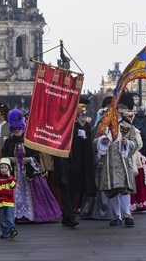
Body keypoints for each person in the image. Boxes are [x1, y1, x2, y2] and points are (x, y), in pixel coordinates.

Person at [1, 109, 61, 223]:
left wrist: (29, 159)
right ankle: (17, 215)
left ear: (22, 127)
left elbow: (36, 156)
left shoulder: (29, 140)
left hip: (29, 172)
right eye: (14, 128)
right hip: (14, 173)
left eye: (18, 127)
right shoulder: (8, 141)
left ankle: (32, 215)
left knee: (35, 193)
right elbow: (3, 156)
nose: (17, 130)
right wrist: (10, 159)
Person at [95, 93, 138, 227]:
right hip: (108, 162)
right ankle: (116, 215)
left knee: (124, 188)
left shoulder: (127, 126)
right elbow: (94, 141)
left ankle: (127, 213)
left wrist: (127, 143)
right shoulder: (102, 126)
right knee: (112, 189)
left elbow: (135, 143)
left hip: (123, 162)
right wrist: (102, 141)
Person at [54, 96, 96, 227]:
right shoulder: (66, 124)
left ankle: (68, 215)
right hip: (66, 162)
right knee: (66, 189)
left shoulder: (83, 125)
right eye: (81, 107)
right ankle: (68, 216)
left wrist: (84, 138)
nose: (83, 110)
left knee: (72, 190)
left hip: (78, 164)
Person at [0, 157, 17, 239]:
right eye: (2, 167)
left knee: (9, 217)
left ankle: (12, 230)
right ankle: (5, 232)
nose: (3, 169)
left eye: (5, 168)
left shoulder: (11, 178)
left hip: (9, 202)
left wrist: (9, 177)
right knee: (2, 218)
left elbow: (13, 186)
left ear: (9, 169)